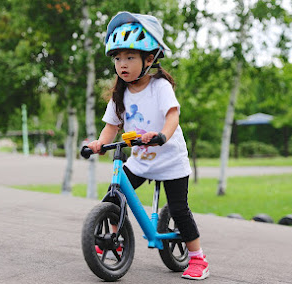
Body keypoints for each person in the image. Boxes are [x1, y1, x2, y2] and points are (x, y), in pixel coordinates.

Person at [86, 11, 209, 280]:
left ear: (149, 59)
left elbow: (172, 115)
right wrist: (99, 144)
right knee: (112, 197)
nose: (122, 64)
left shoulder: (160, 86)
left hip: (170, 159)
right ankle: (112, 238)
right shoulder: (120, 94)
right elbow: (111, 127)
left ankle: (197, 258)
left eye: (130, 57)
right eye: (117, 58)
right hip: (141, 160)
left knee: (178, 209)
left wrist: (163, 134)